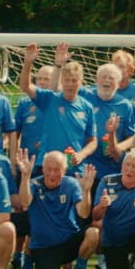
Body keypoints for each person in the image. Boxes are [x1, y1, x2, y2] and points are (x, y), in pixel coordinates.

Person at [19, 150, 100, 269]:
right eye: (48, 169)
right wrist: (25, 177)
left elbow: (84, 213)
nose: (52, 174)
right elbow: (24, 202)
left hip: (69, 240)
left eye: (57, 170)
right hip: (44, 246)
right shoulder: (33, 184)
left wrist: (86, 191)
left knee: (93, 233)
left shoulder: (72, 184)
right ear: (42, 169)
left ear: (64, 170)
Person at [19, 43, 98, 176]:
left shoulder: (86, 107)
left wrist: (81, 154)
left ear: (81, 82)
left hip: (73, 168)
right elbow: (25, 86)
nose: (70, 84)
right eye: (67, 80)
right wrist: (27, 63)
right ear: (62, 80)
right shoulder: (49, 99)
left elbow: (93, 141)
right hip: (46, 166)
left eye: (74, 80)